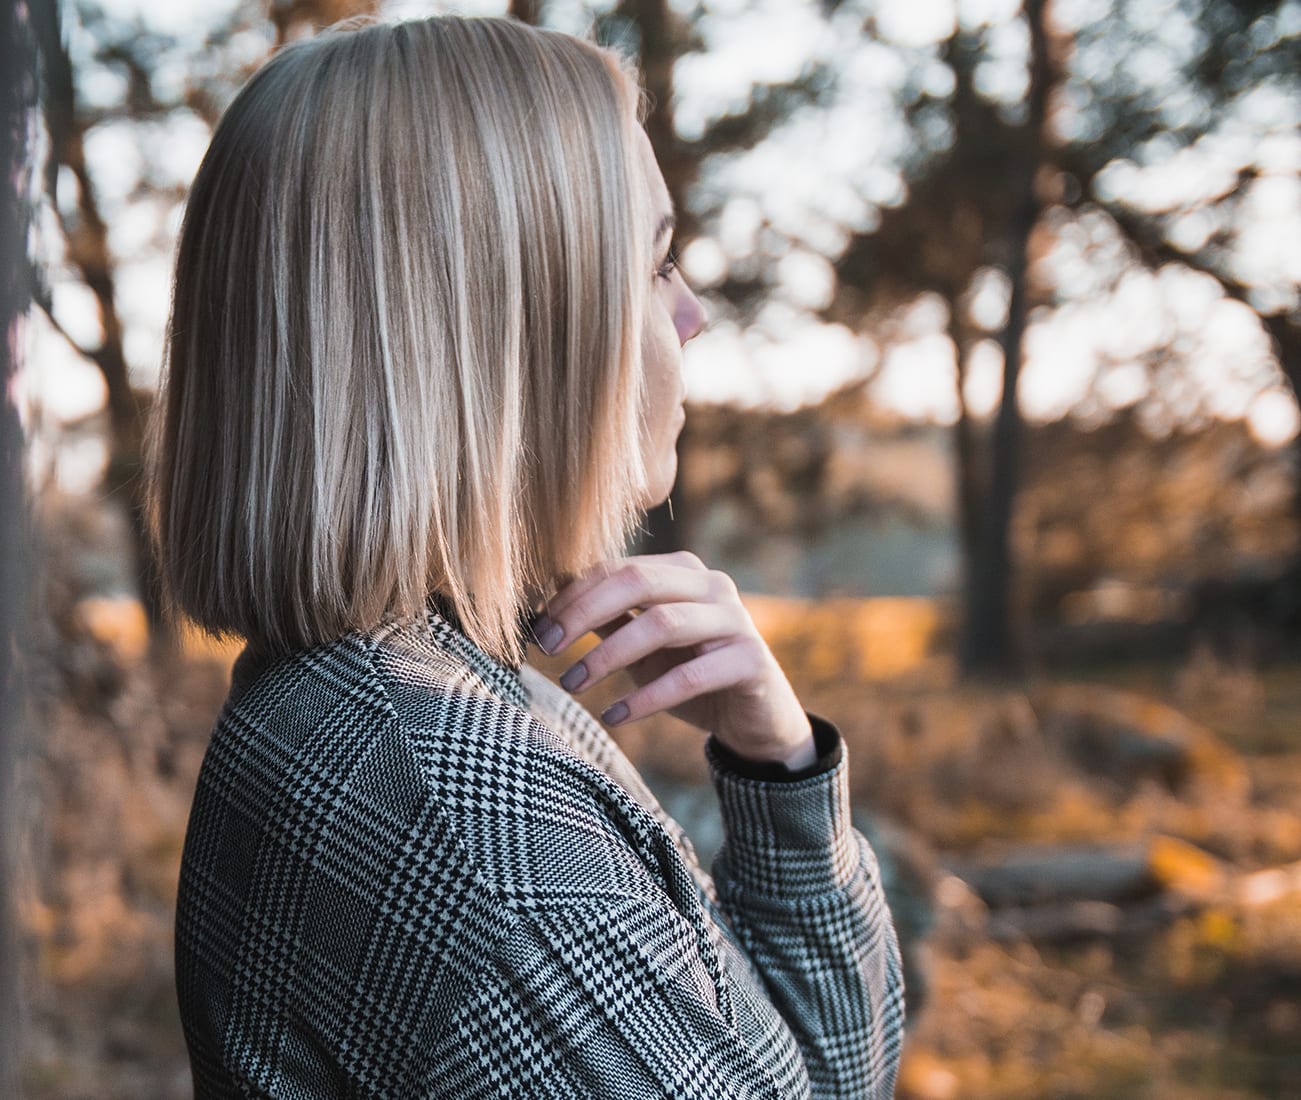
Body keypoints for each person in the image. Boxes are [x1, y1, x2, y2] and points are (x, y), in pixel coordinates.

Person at [146, 14, 904, 1099]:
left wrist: (776, 764)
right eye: (652, 265)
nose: (688, 314)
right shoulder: (462, 823)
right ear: (514, 331)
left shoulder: (407, 699)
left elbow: (837, 1074)